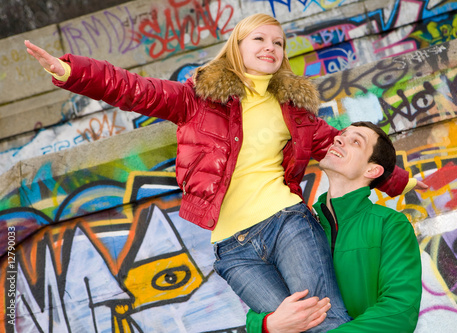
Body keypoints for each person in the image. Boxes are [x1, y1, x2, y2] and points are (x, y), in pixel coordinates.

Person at [25, 13, 424, 332]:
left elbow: (349, 151)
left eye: (278, 43)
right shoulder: (196, 99)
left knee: (322, 320)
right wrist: (70, 72)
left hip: (287, 224)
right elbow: (133, 89)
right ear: (237, 46)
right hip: (232, 250)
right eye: (259, 39)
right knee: (286, 328)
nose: (270, 47)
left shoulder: (294, 111)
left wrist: (400, 181)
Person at [246, 121, 423, 333]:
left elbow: (400, 311)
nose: (338, 139)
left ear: (372, 169)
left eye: (355, 141)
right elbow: (258, 303)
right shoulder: (297, 226)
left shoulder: (390, 225)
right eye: (341, 135)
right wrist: (269, 324)